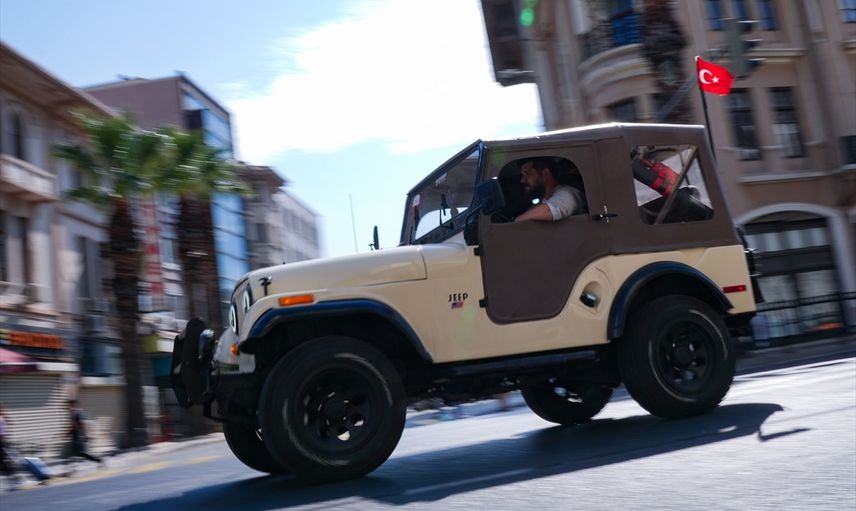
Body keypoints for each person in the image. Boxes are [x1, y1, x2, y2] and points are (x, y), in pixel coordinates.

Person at [514, 157, 583, 222]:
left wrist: (515, 223)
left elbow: (549, 211)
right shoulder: (542, 201)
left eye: (528, 174)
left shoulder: (568, 193)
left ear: (545, 173)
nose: (522, 180)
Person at [68, 399, 102, 464]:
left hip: (80, 436)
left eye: (69, 405)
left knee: (82, 453)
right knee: (78, 452)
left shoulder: (77, 413)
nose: (68, 407)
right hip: (78, 435)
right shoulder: (75, 413)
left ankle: (98, 460)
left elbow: (83, 424)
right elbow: (74, 425)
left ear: (73, 405)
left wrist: (86, 435)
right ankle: (97, 460)